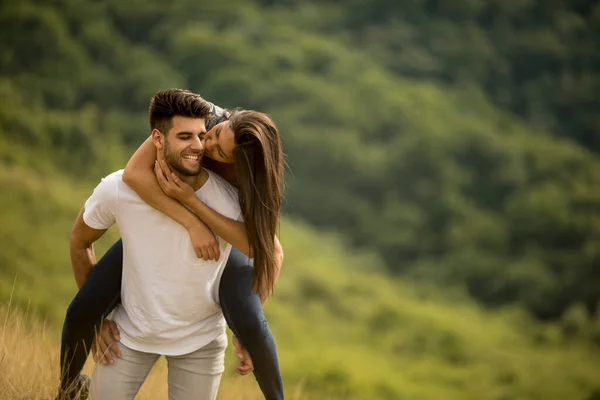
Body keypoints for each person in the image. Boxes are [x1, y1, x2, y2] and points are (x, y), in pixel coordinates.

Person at [58, 89, 285, 399]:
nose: (206, 145)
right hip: (153, 244)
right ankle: (68, 388)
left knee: (254, 326)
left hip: (221, 248)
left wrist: (243, 329)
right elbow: (135, 174)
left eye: (218, 151)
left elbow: (269, 252)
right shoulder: (206, 118)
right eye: (214, 134)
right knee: (84, 307)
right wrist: (189, 220)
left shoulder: (242, 184)